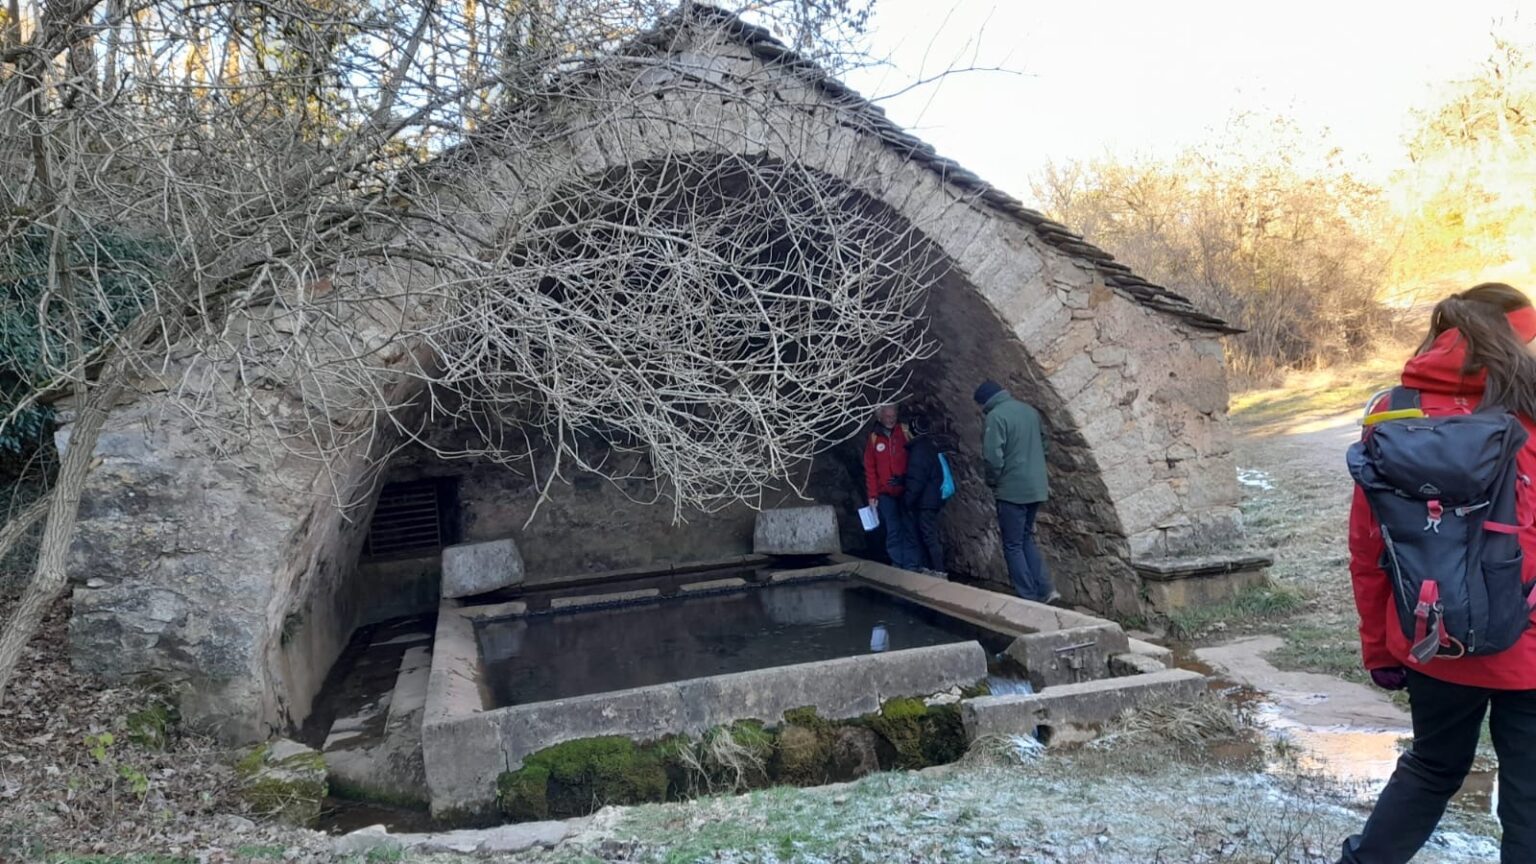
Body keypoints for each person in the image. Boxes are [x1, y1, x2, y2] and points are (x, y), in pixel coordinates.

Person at [1338, 283, 1536, 864]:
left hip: (1431, 632)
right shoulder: (1530, 408)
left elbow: (1369, 546)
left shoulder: (1393, 410)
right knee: (1531, 792)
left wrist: (1378, 647)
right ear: (1515, 338)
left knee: (1430, 768)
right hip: (1528, 638)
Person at [974, 380, 1059, 604]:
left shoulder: (996, 417)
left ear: (985, 401)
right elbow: (1045, 444)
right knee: (1026, 538)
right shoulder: (1029, 411)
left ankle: (1027, 596)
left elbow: (993, 458)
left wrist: (993, 481)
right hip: (1036, 488)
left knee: (1012, 544)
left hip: (1012, 490)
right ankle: (1046, 588)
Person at [862, 404, 919, 570]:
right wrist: (872, 495)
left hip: (905, 489)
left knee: (909, 527)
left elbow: (916, 458)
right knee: (893, 528)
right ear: (880, 417)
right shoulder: (874, 438)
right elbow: (870, 468)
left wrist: (907, 480)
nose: (891, 419)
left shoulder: (904, 432)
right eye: (888, 416)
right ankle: (897, 562)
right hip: (885, 493)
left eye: (893, 416)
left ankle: (911, 564)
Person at [902, 415, 948, 576]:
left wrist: (907, 501)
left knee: (927, 536)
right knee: (927, 535)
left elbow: (917, 479)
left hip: (925, 501)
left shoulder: (918, 451)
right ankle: (932, 569)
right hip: (932, 498)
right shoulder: (930, 446)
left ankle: (938, 571)